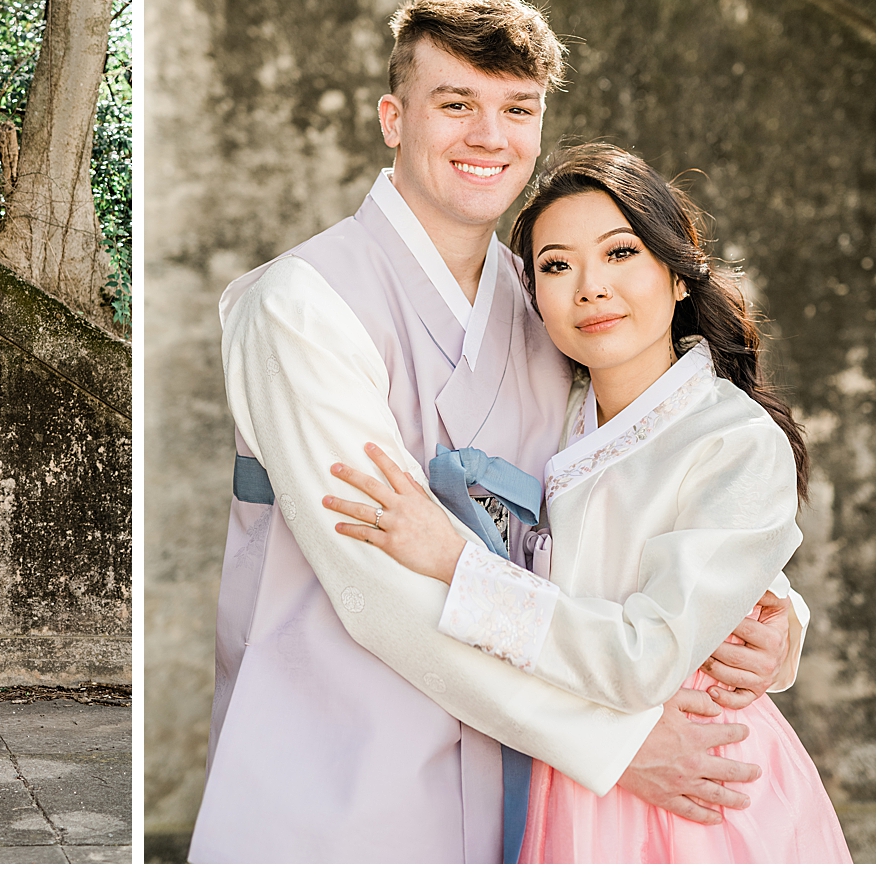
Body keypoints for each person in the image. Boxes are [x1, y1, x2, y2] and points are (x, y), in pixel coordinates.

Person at [188, 0, 805, 863]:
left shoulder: (546, 299)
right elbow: (373, 592)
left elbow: (636, 481)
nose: (489, 136)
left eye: (517, 109)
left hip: (530, 797)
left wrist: (766, 610)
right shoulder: (303, 305)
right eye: (456, 104)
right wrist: (612, 743)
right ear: (393, 118)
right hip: (341, 773)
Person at [326, 143, 850, 862]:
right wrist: (780, 610)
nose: (590, 288)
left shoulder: (732, 438)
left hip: (701, 777)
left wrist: (457, 564)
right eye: (557, 265)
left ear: (674, 273)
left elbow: (647, 656)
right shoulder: (552, 409)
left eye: (620, 253)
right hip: (573, 772)